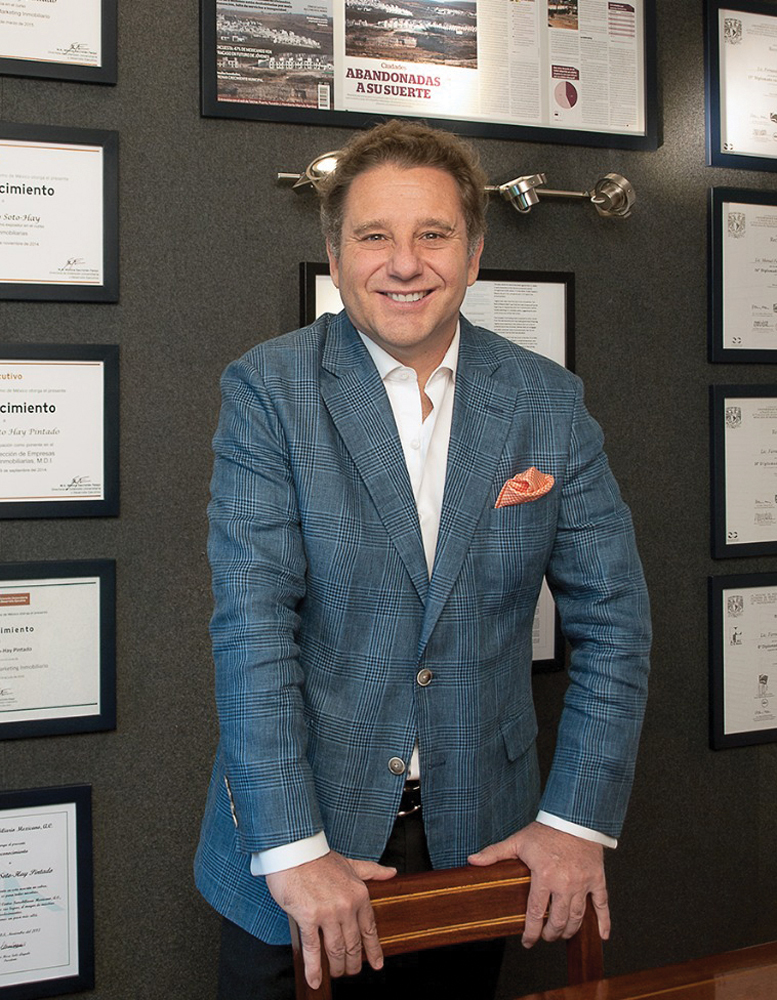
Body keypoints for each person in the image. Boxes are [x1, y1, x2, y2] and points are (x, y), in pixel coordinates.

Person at [194, 119, 651, 1000]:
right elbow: (252, 629)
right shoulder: (268, 391)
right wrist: (294, 850)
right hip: (301, 835)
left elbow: (616, 625)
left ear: (473, 256)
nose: (404, 263)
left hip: (478, 836)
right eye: (374, 236)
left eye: (432, 234)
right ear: (336, 258)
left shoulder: (547, 402)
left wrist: (574, 821)